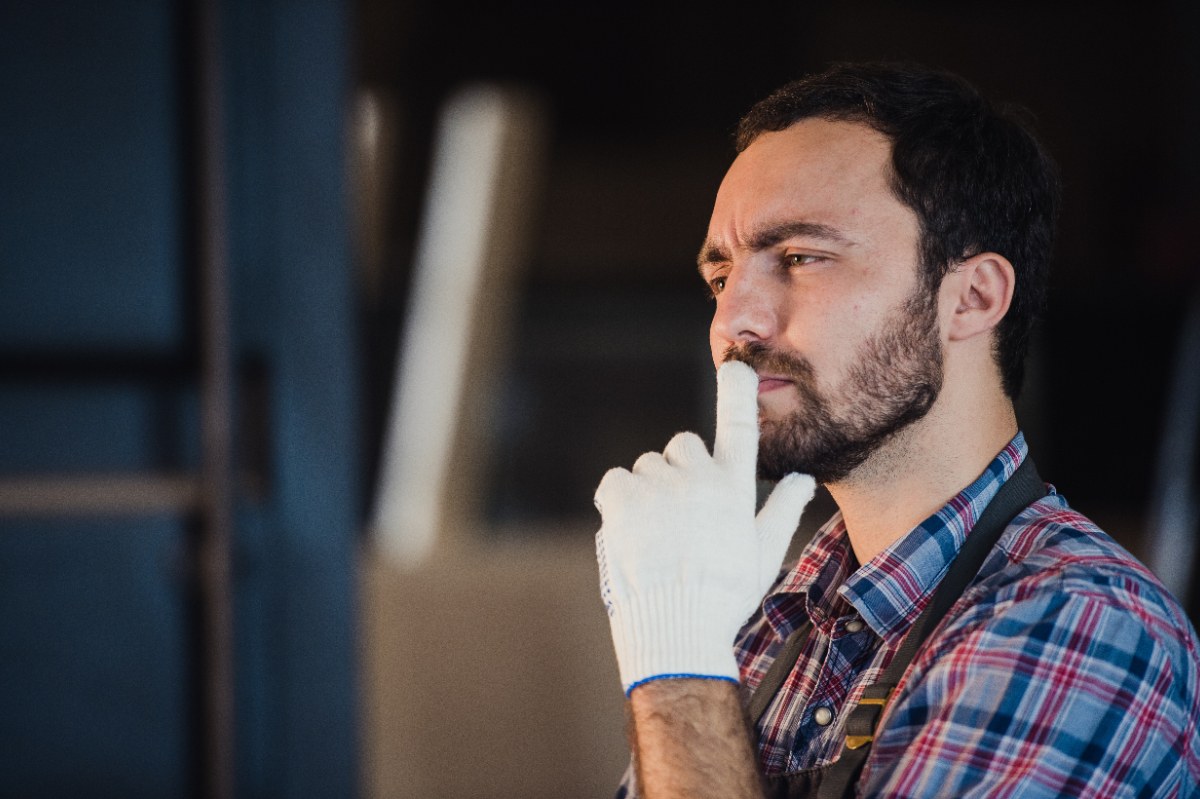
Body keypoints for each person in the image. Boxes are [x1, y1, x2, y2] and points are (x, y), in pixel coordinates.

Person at [592, 61, 1200, 799]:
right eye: (721, 277)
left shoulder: (1084, 619)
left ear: (973, 297)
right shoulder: (772, 613)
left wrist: (679, 661)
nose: (734, 320)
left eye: (800, 258)